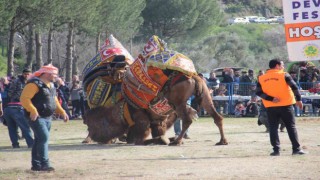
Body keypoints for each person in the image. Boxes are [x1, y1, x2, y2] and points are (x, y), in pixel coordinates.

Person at [20, 64, 69, 172]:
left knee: (39, 140)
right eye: (54, 74)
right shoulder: (34, 84)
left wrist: (62, 112)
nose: (56, 77)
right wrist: (33, 110)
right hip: (37, 117)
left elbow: (54, 101)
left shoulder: (51, 85)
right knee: (44, 138)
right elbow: (24, 99)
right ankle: (45, 164)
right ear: (46, 74)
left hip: (47, 117)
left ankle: (36, 165)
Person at [256, 58, 305, 156]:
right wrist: (299, 100)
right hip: (286, 105)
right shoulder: (284, 75)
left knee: (273, 128)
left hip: (271, 107)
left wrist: (271, 99)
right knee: (291, 127)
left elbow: (258, 92)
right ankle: (296, 149)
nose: (283, 67)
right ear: (277, 65)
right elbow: (294, 87)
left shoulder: (261, 78)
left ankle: (276, 150)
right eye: (282, 65)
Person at [3, 69, 34, 148]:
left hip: (10, 107)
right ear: (22, 74)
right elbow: (10, 93)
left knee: (13, 128)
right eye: (25, 74)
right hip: (16, 106)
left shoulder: (29, 82)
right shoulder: (17, 81)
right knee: (24, 127)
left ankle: (15, 144)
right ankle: (30, 144)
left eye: (28, 74)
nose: (26, 76)